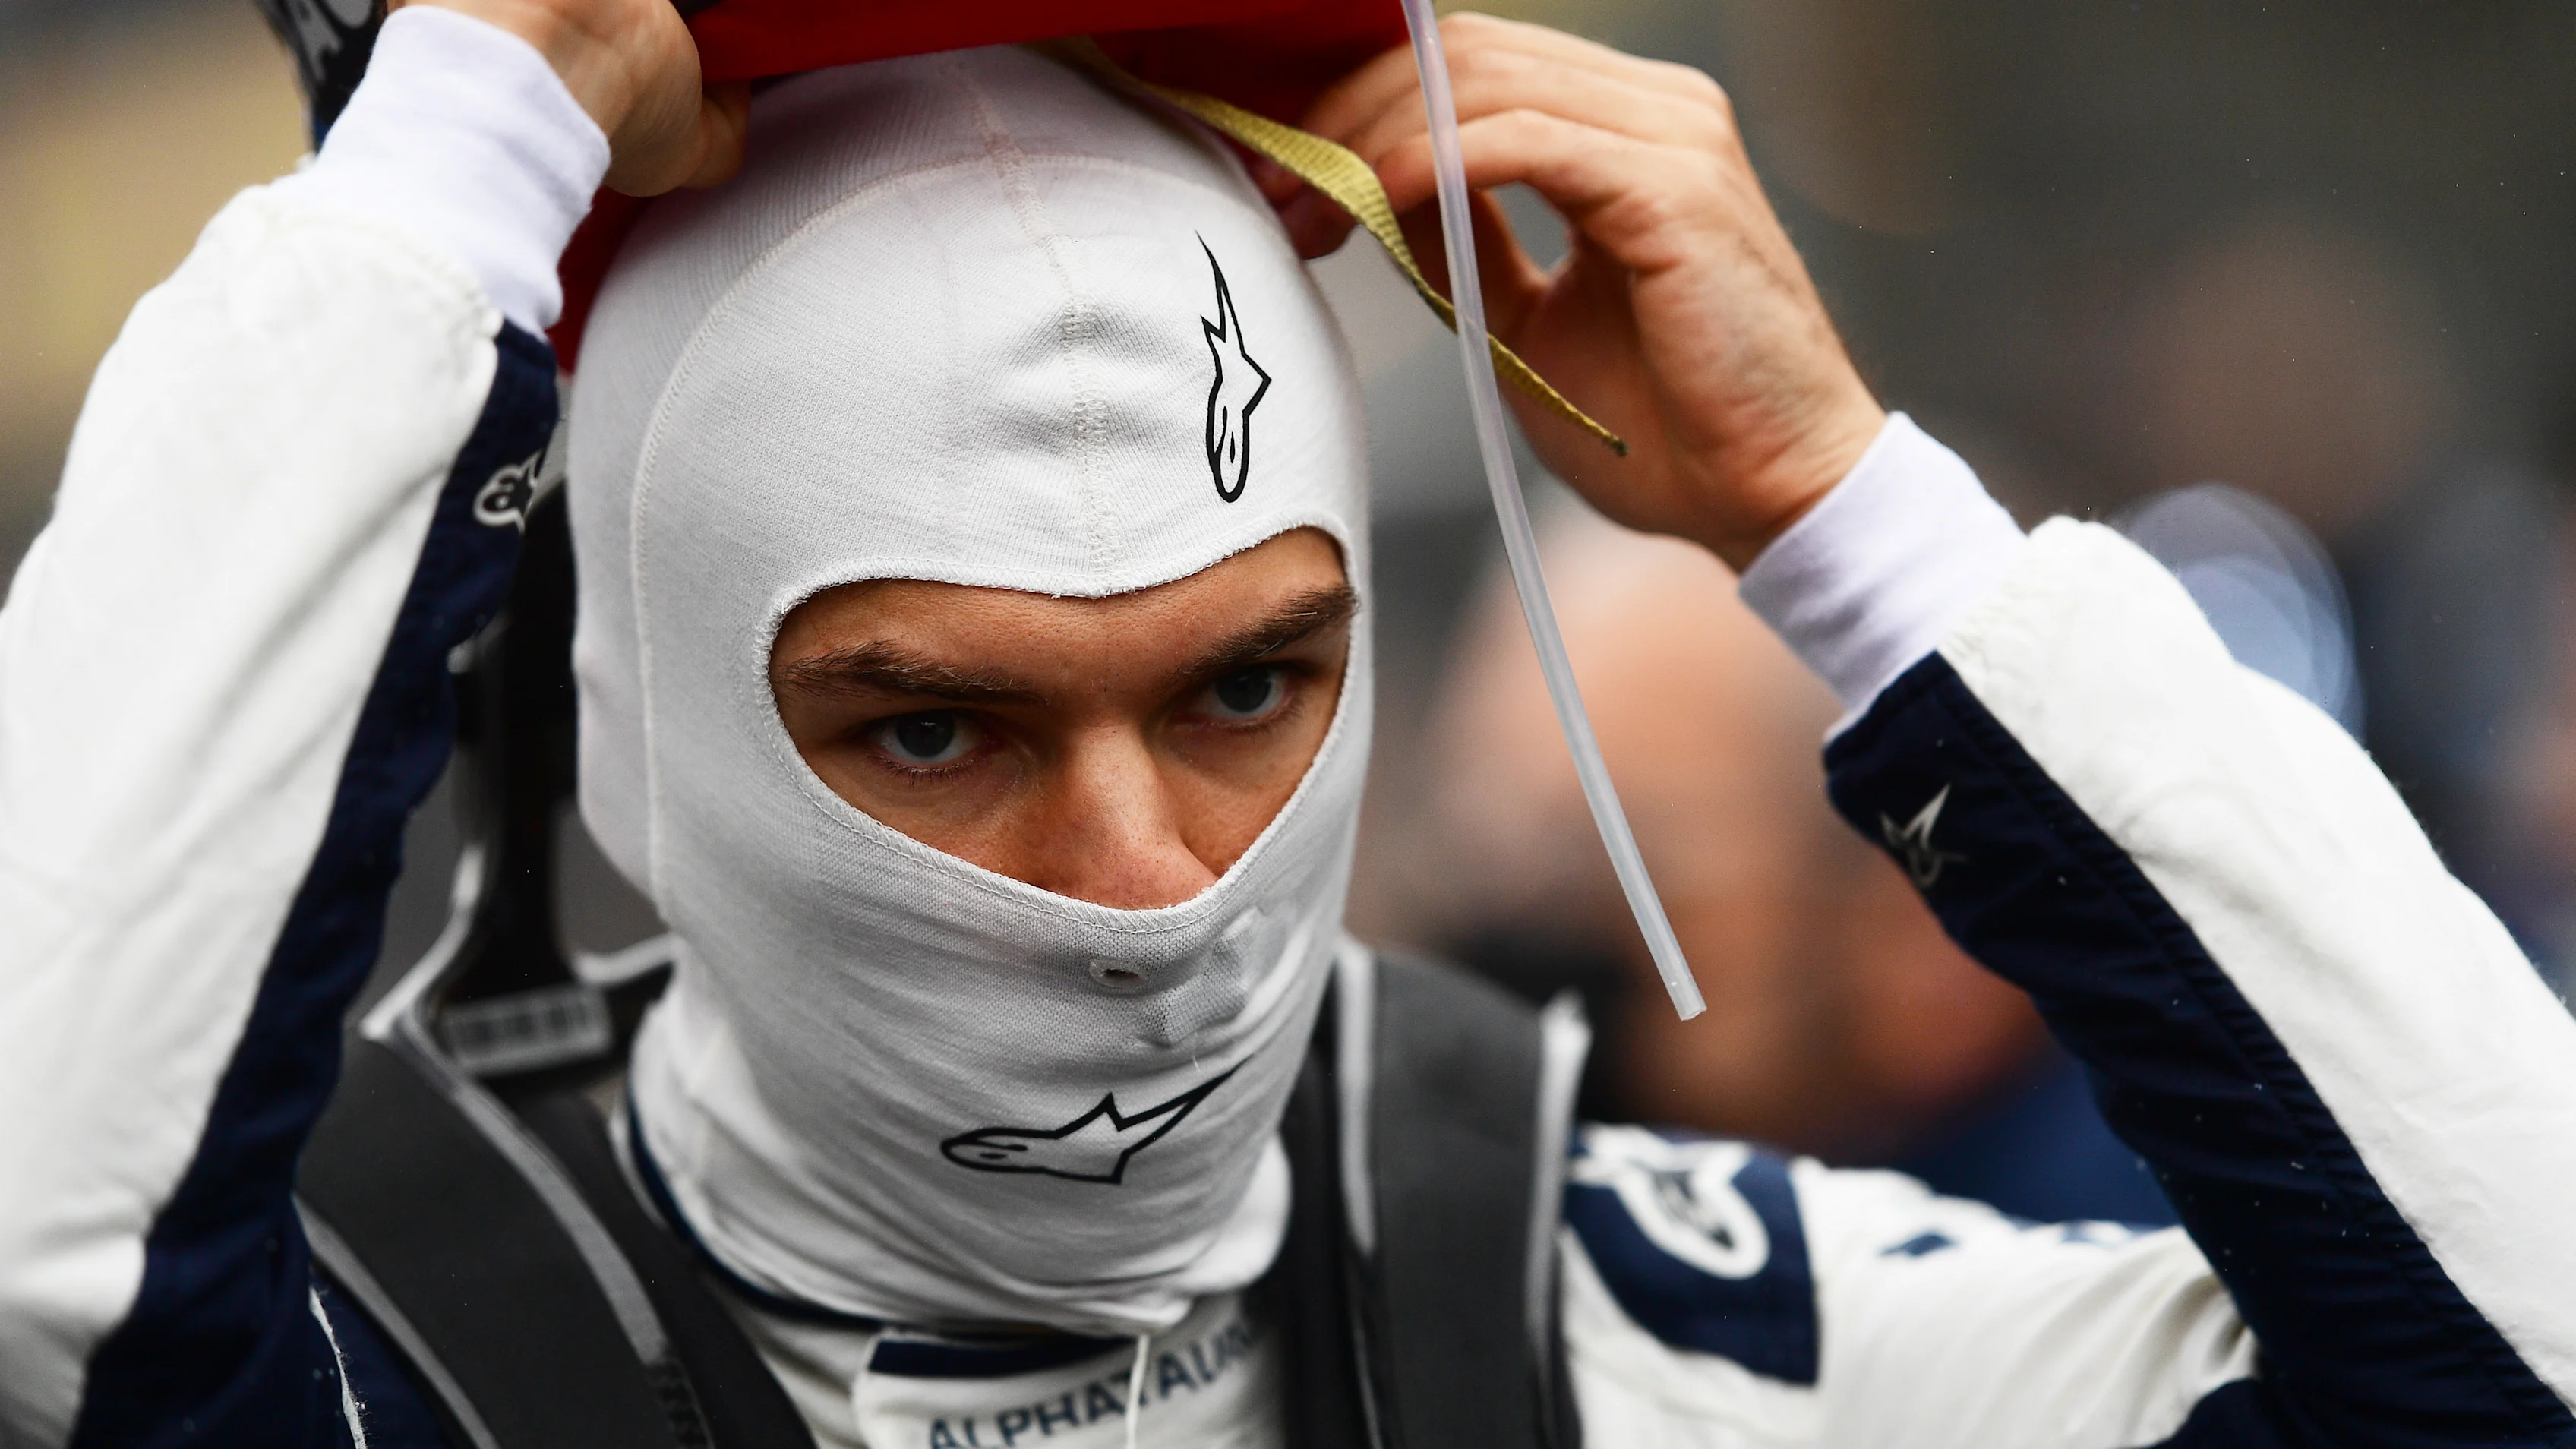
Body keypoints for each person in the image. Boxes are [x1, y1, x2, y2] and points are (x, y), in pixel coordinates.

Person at [2, 2, 2572, 1447]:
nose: (1145, 878)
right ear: (651, 721)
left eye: (1249, 679)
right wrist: (440, 187)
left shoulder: (1644, 1334)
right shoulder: (383, 1344)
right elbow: (48, 1270)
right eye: (934, 727)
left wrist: (1859, 522)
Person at [1406, 511, 2175, 1226]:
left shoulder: (2141, 1288)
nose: (1522, 954)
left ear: (1920, 917)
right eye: (1482, 865)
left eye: (1615, 884)